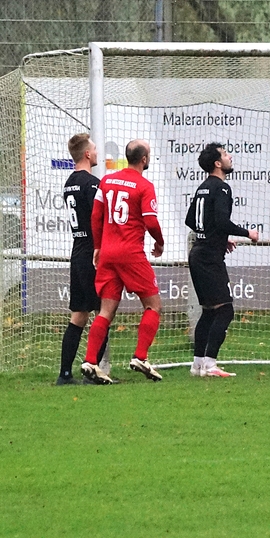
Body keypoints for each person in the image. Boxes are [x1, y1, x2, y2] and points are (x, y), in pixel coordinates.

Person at [80, 140, 165, 384]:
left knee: (106, 310)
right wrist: (159, 243)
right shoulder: (144, 186)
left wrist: (98, 246)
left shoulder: (106, 181)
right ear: (144, 159)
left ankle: (90, 361)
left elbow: (96, 215)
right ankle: (140, 356)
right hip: (131, 253)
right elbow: (150, 221)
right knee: (153, 305)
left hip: (108, 253)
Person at [185, 143, 260, 378]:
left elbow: (191, 220)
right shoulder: (222, 188)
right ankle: (210, 364)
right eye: (226, 154)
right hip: (209, 257)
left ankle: (197, 364)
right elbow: (221, 221)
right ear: (218, 163)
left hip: (198, 252)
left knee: (209, 311)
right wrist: (247, 233)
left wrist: (219, 238)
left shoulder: (202, 188)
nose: (230, 157)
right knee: (225, 310)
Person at [56, 133, 108, 384]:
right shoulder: (92, 184)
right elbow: (99, 219)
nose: (97, 153)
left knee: (79, 315)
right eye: (95, 149)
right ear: (87, 154)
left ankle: (65, 374)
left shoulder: (69, 183)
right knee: (104, 312)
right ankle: (93, 371)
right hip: (92, 253)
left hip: (77, 251)